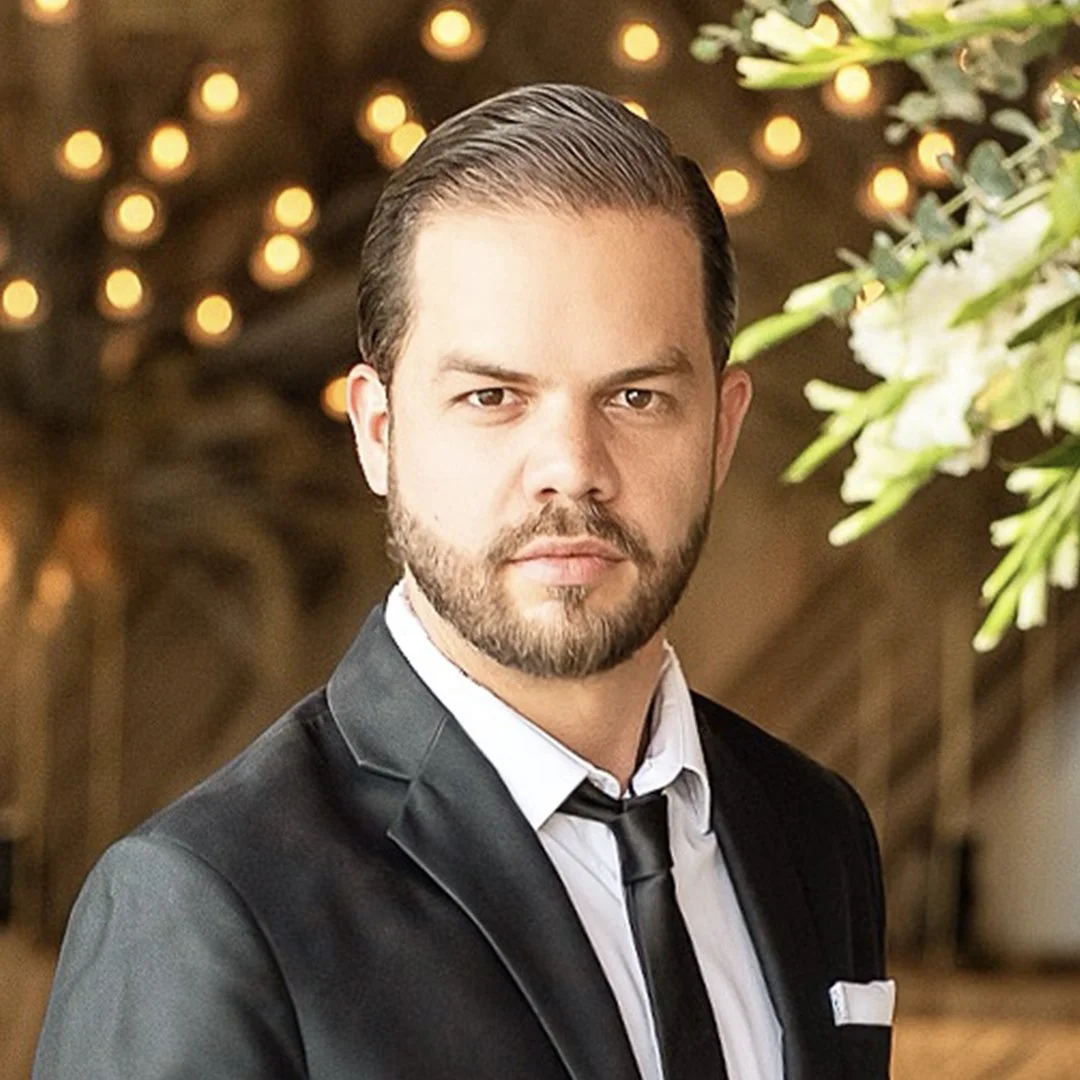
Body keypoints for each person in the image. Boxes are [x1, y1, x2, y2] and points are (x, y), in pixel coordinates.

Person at [34, 83, 893, 1080]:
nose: (572, 466)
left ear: (723, 430)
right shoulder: (203, 904)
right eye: (493, 396)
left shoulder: (816, 832)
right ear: (378, 431)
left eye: (635, 395)